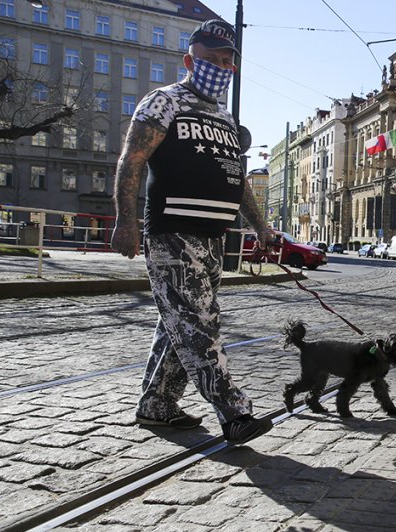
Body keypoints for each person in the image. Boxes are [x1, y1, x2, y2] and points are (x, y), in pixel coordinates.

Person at [110, 18, 273, 445]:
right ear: (190, 59)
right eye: (212, 59)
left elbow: (236, 179)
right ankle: (234, 412)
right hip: (172, 234)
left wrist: (261, 227)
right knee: (199, 322)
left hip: (214, 237)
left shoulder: (224, 117)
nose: (221, 67)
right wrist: (126, 220)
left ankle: (157, 405)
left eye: (227, 61)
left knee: (178, 323)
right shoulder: (163, 102)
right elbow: (132, 160)